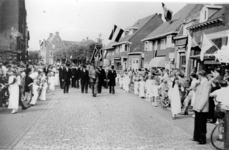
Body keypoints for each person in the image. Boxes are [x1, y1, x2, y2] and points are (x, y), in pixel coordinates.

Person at [192, 70, 211, 145]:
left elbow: (204, 97)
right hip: (198, 106)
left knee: (201, 124)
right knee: (197, 123)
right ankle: (196, 137)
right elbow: (195, 90)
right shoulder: (201, 82)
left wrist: (200, 107)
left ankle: (202, 139)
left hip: (201, 108)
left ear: (200, 75)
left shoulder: (206, 83)